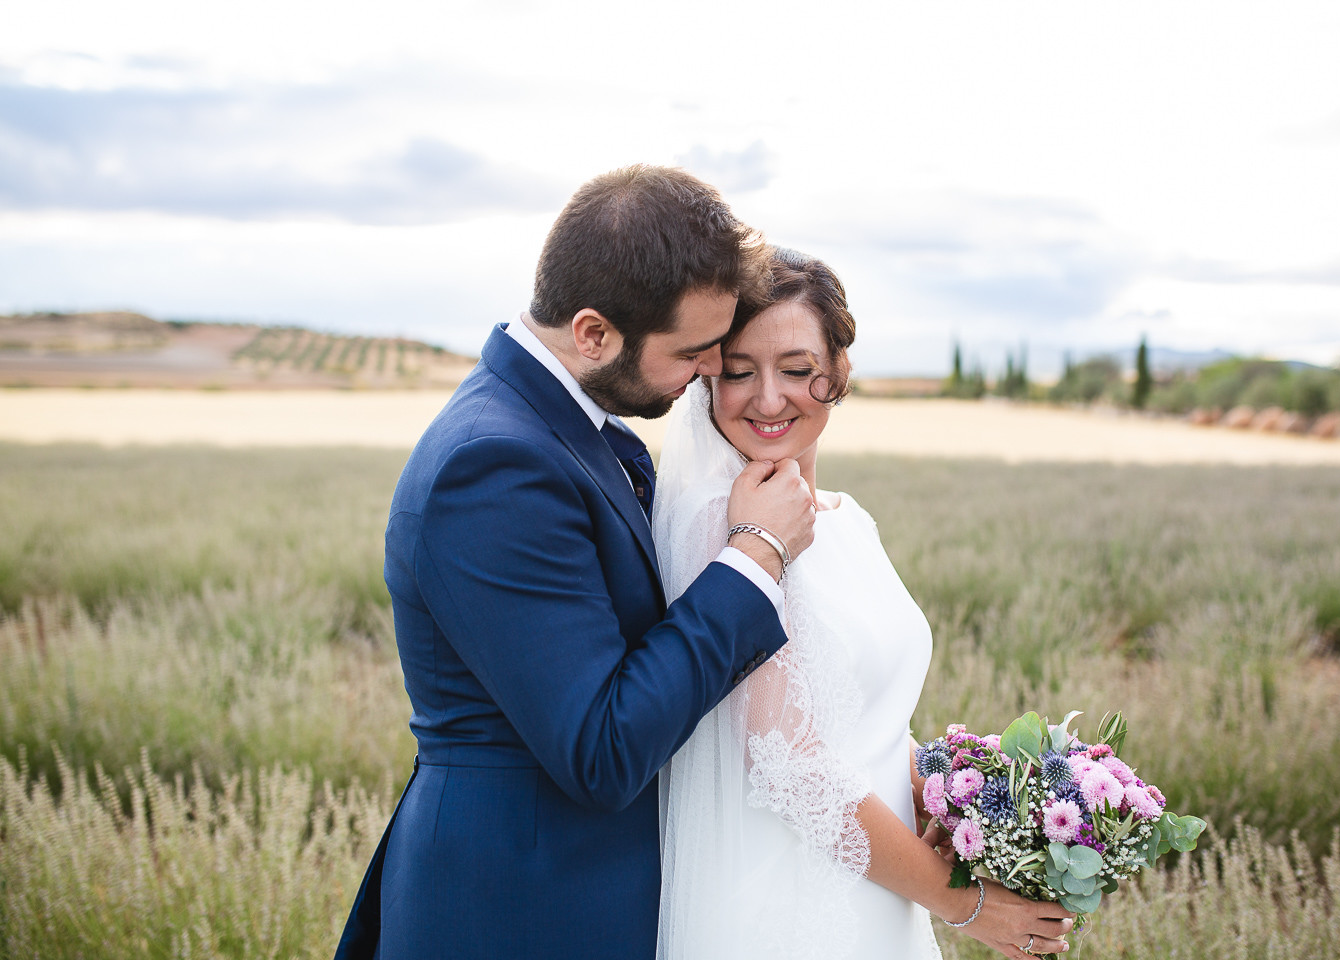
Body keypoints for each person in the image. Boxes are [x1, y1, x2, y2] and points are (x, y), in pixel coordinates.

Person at [333, 166, 818, 960]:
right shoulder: (493, 466)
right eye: (692, 351)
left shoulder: (567, 430)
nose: (708, 369)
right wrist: (754, 556)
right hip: (515, 910)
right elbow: (601, 748)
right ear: (593, 333)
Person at [652, 247, 1075, 960]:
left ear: (838, 373)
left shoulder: (849, 520)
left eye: (796, 370)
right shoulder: (718, 528)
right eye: (739, 372)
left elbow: (859, 717)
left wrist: (960, 791)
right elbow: (789, 766)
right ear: (707, 380)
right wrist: (965, 905)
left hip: (880, 889)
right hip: (789, 908)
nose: (768, 399)